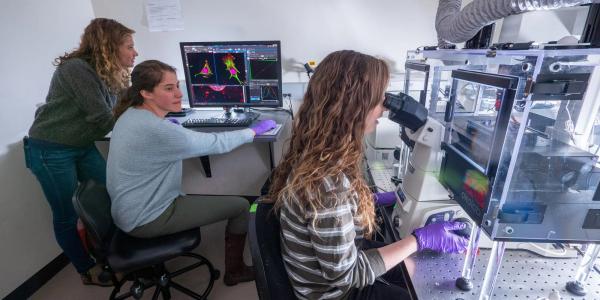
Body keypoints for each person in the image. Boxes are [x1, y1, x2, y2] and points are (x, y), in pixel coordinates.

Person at [267, 50, 468, 300]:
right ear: (355, 106)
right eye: (380, 98)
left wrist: (368, 201)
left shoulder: (317, 154)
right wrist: (419, 240)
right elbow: (348, 275)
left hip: (328, 273)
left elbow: (326, 216)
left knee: (410, 268)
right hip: (332, 293)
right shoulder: (328, 185)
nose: (384, 108)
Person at [107, 60, 276, 286]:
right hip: (146, 218)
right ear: (145, 93)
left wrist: (170, 127)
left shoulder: (131, 115)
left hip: (128, 210)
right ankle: (235, 271)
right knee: (242, 206)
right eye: (169, 89)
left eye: (177, 85)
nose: (178, 94)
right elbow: (216, 143)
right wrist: (252, 131)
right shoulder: (157, 130)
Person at [24, 18, 137, 286]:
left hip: (81, 146)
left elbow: (126, 104)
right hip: (51, 150)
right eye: (130, 46)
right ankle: (86, 269)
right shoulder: (76, 69)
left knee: (112, 194)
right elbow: (104, 120)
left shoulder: (110, 71)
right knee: (66, 215)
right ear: (109, 47)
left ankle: (115, 255)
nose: (135, 52)